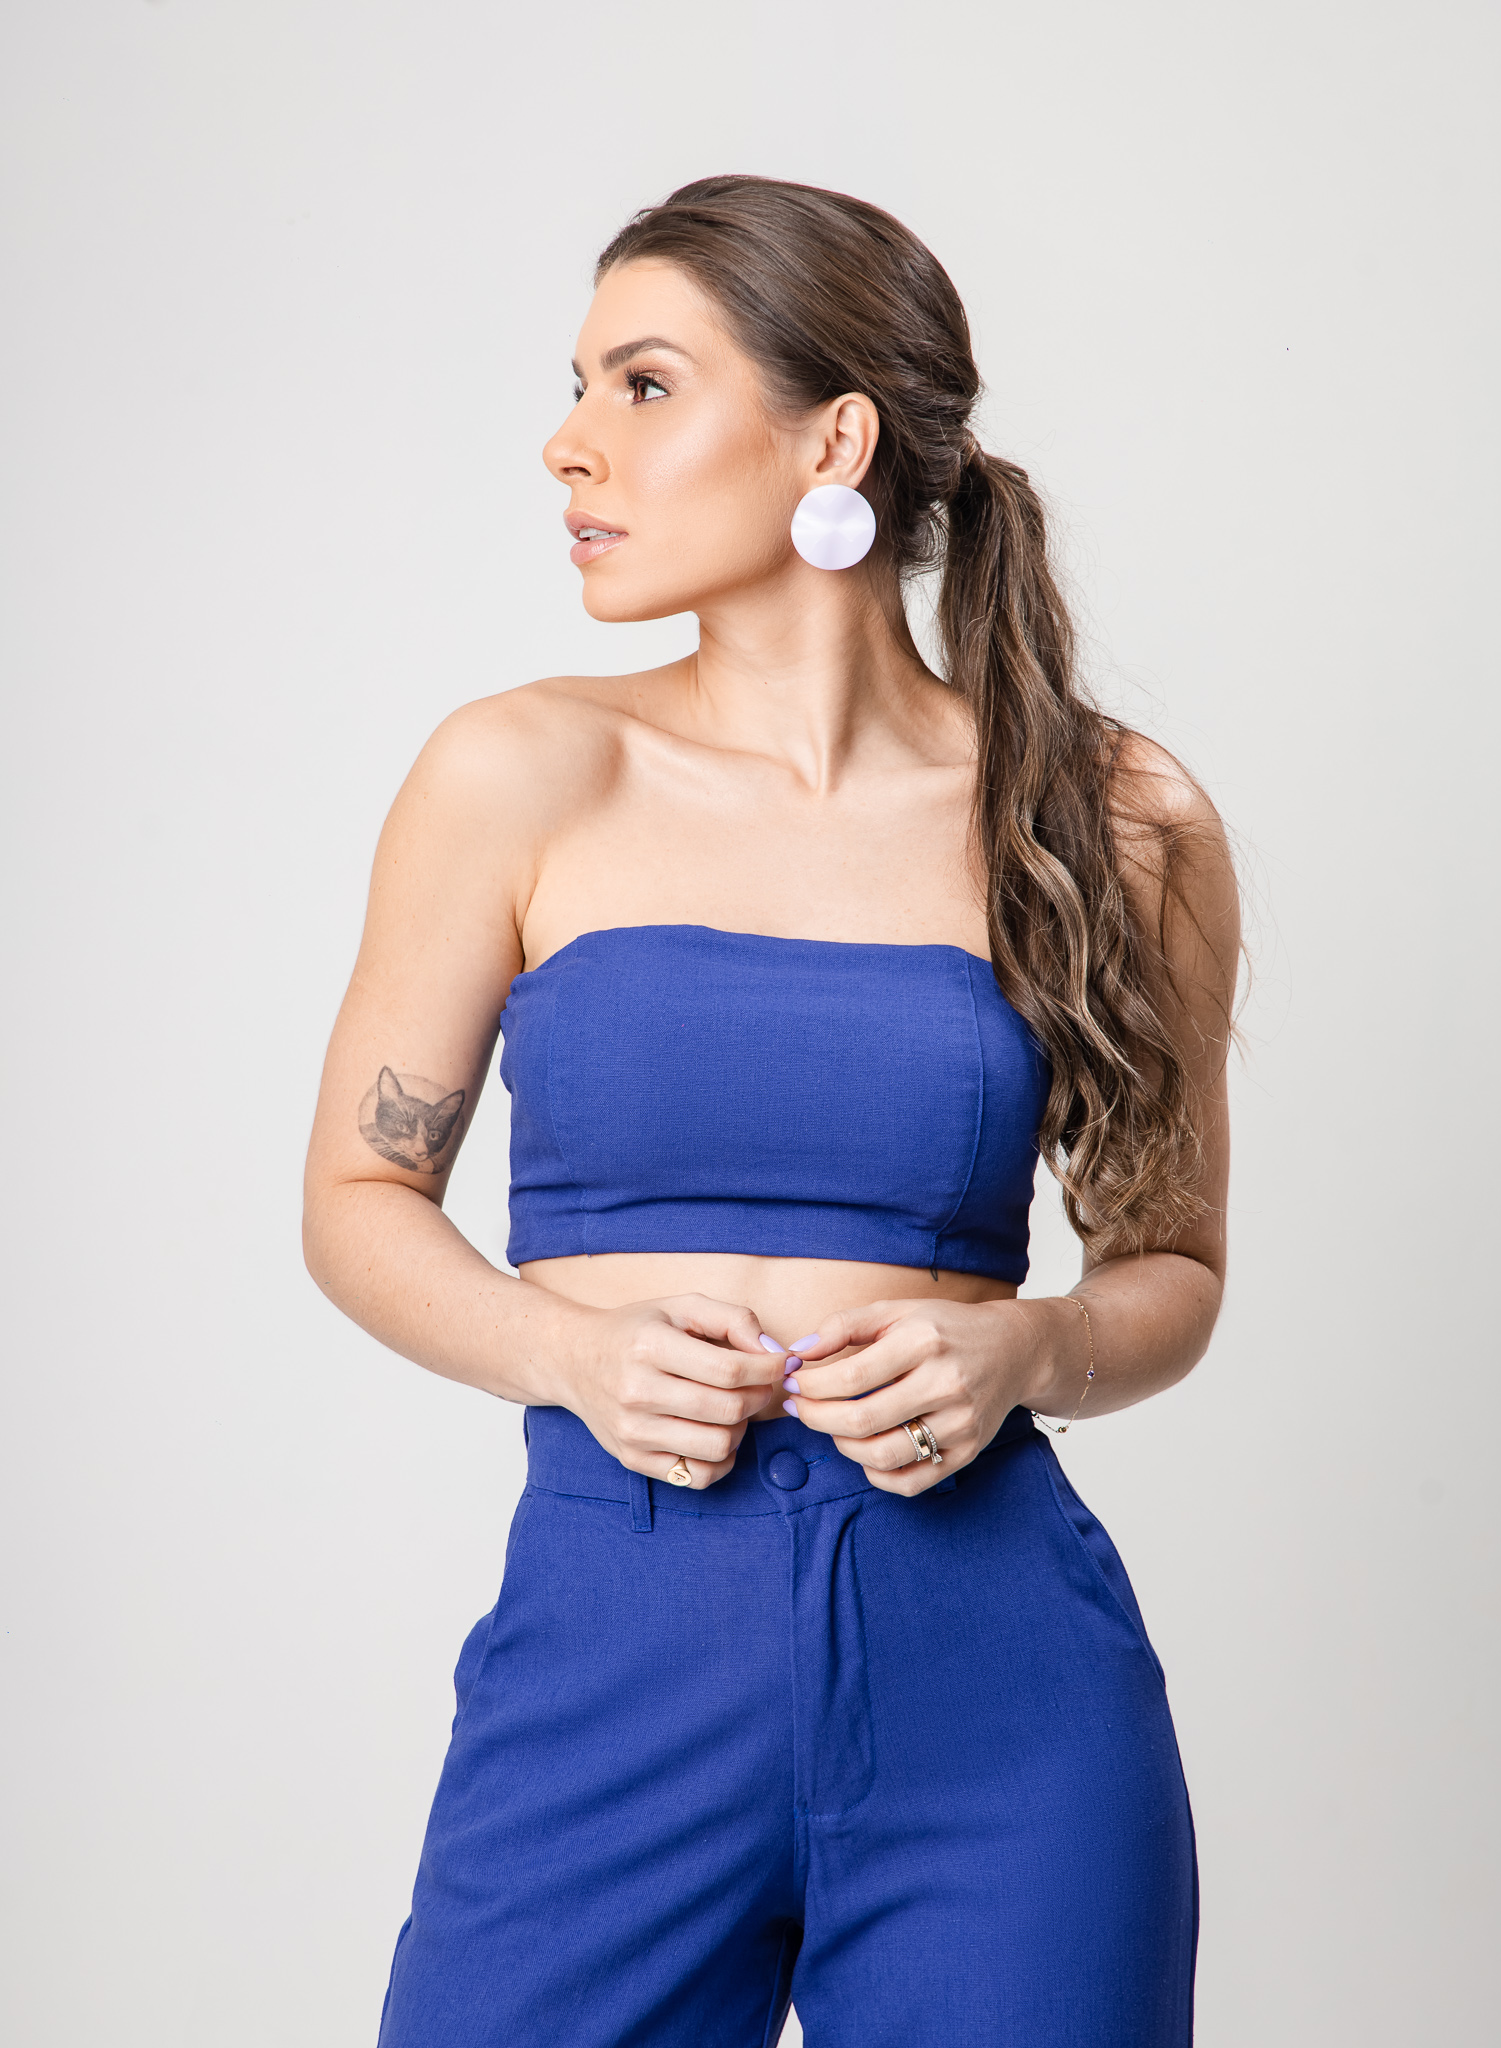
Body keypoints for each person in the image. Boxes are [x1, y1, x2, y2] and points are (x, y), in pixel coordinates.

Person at [302, 173, 1240, 2048]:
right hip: (614, 1639)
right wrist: (567, 1354)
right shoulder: (520, 771)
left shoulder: (1117, 818)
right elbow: (356, 1194)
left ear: (836, 440)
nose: (571, 442)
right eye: (579, 385)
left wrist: (1030, 1349)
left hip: (1002, 1680)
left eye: (643, 384)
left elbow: (1175, 1266)